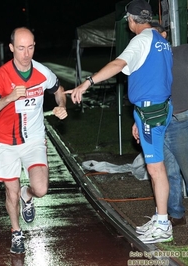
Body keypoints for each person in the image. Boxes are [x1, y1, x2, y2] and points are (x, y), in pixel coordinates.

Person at [65, 0, 173, 244]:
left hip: (151, 112)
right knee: (156, 167)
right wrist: (138, 117)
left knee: (156, 169)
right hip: (157, 109)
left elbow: (117, 64)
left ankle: (164, 224)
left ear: (132, 20)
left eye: (128, 21)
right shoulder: (161, 41)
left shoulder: (141, 40)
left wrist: (87, 82)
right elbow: (157, 77)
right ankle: (160, 217)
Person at [0, 27, 68, 254]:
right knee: (11, 192)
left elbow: (59, 90)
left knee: (41, 189)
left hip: (34, 140)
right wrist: (9, 97)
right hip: (7, 142)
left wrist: (61, 106)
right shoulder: (2, 75)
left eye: (30, 47)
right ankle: (16, 232)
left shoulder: (42, 72)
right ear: (11, 48)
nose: (26, 53)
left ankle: (27, 196)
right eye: (20, 48)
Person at [150, 22, 188, 233]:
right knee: (169, 173)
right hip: (158, 123)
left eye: (155, 35)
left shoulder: (181, 52)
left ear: (164, 35)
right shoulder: (146, 60)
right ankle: (176, 214)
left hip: (180, 121)